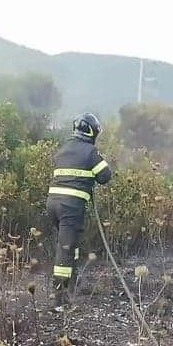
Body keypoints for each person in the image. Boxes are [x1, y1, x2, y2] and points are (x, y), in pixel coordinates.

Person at [46, 112, 113, 311]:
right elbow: (105, 176)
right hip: (70, 207)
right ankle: (60, 300)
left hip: (53, 204)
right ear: (92, 132)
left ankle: (71, 288)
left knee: (69, 246)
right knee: (65, 250)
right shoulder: (90, 151)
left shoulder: (64, 149)